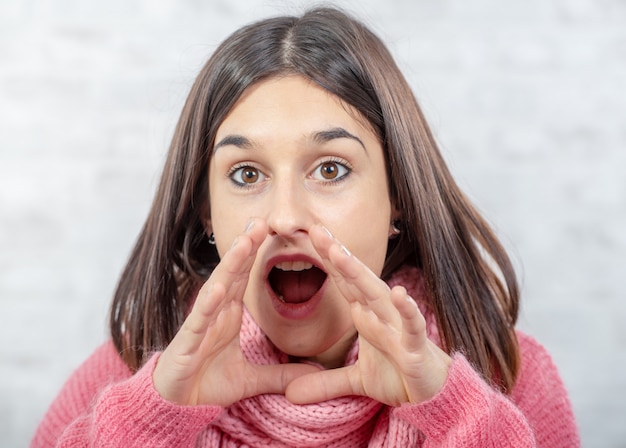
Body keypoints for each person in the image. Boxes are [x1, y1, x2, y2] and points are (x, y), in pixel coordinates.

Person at [31, 6, 580, 447]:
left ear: (398, 200)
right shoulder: (125, 371)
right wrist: (150, 422)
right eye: (246, 174)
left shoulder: (510, 371)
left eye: (331, 169)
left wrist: (455, 412)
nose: (285, 217)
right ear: (207, 214)